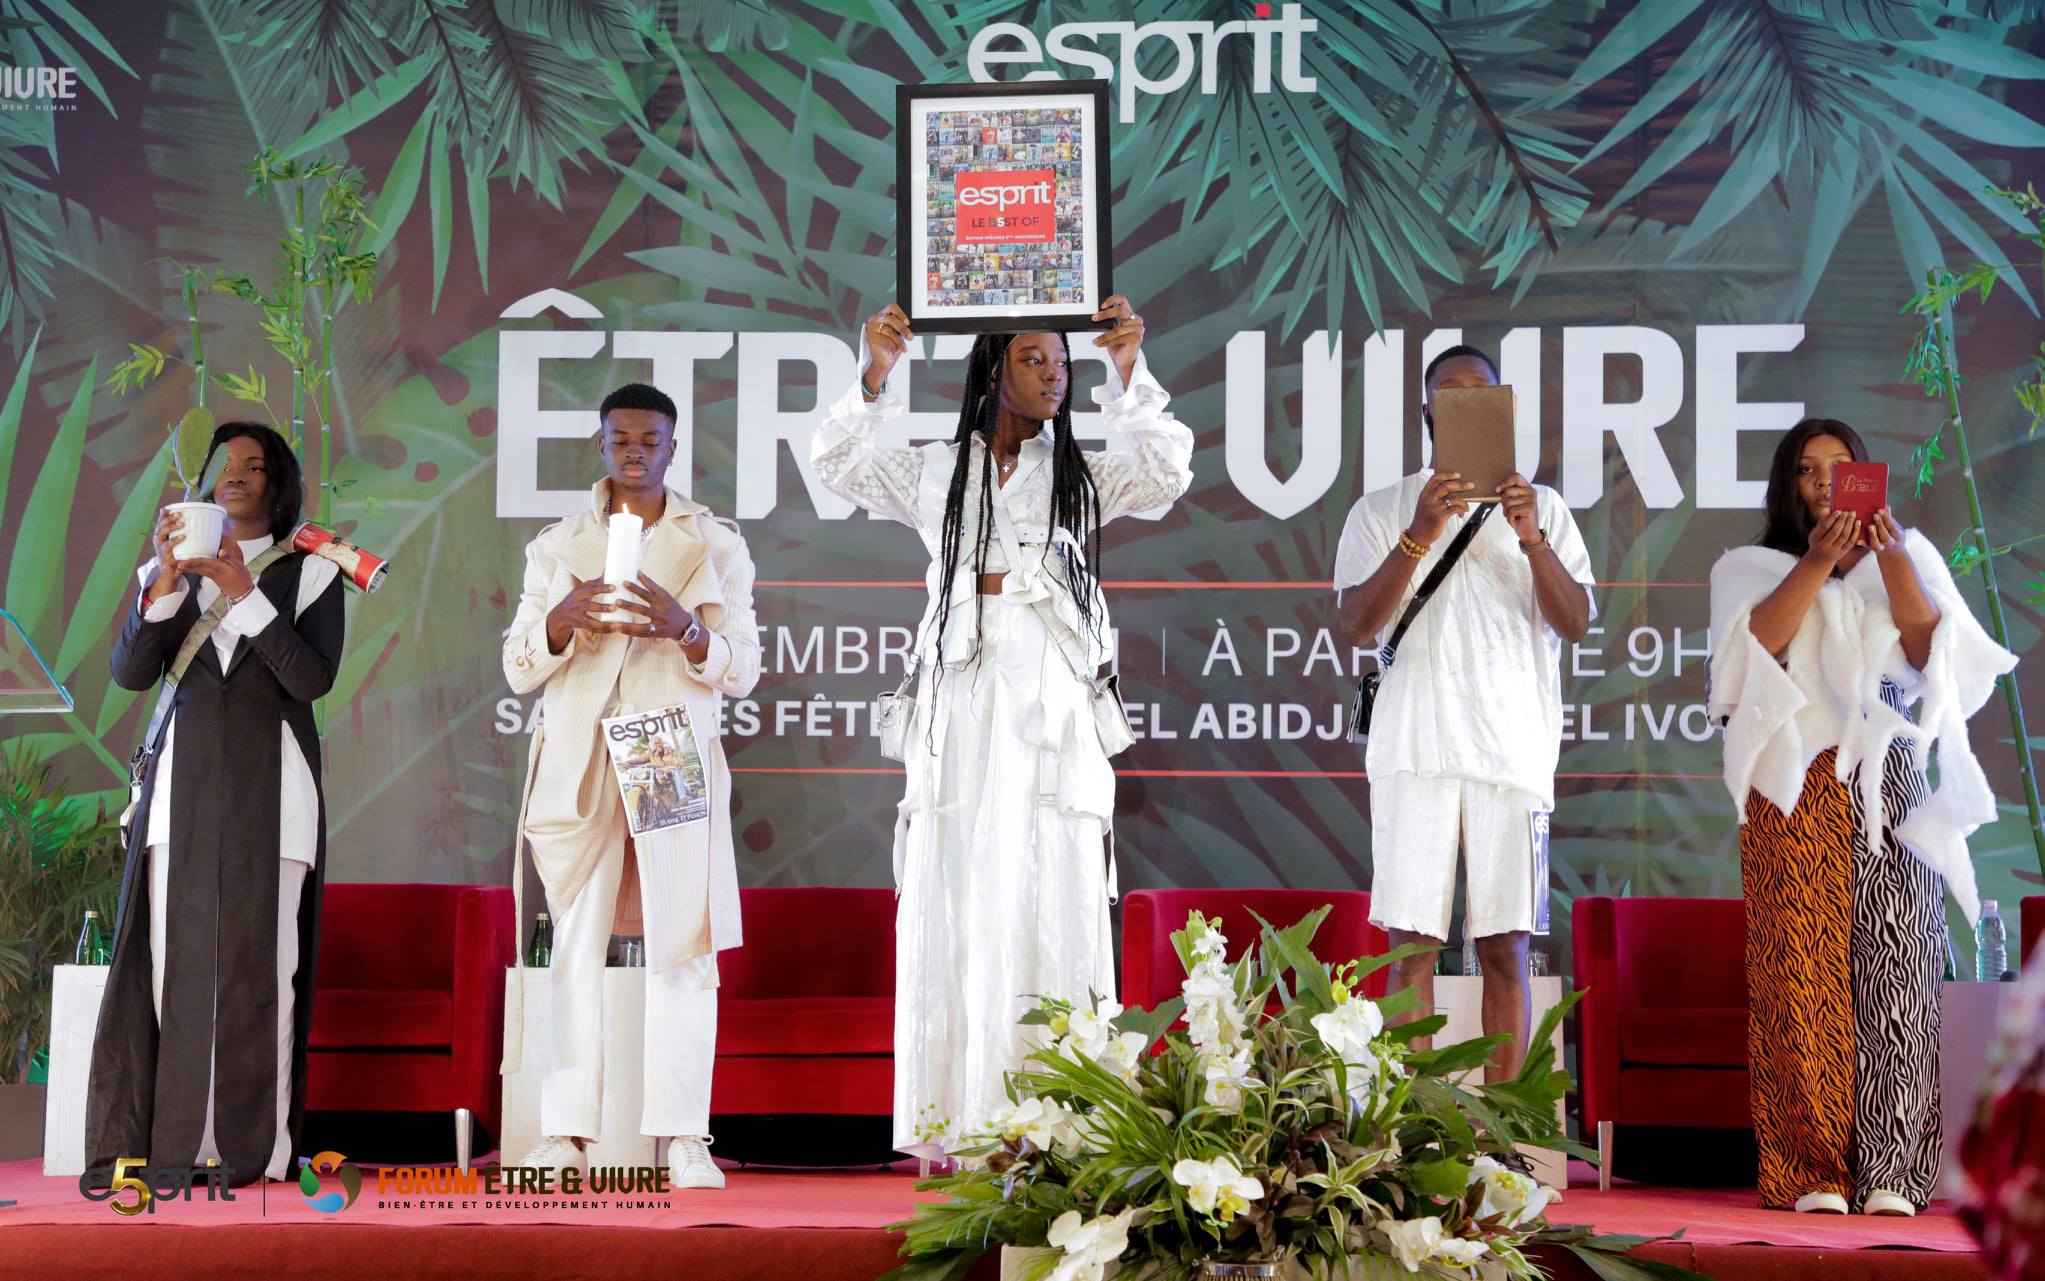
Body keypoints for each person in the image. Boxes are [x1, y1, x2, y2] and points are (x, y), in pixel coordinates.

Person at [812, 297, 1192, 1156]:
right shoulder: (939, 470)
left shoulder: (1079, 473)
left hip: (1050, 693)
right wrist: (875, 371)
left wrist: (1127, 368)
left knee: (1051, 878)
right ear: (992, 371)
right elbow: (837, 460)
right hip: (964, 689)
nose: (1055, 374)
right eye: (1033, 359)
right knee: (961, 879)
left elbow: (1165, 471)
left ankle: (1063, 1124)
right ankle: (957, 1118)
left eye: (1061, 361)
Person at [1708, 417, 2015, 1215]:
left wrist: (1892, 557)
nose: (1822, 481)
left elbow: (1931, 656)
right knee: (1797, 969)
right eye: (1806, 469)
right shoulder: (1745, 568)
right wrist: (1816, 561)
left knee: (1900, 966)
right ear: (1787, 484)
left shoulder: (1907, 559)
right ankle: (1811, 1168)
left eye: (1837, 466)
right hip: (1793, 785)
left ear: (1863, 475)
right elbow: (1752, 655)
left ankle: (1892, 1172)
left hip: (1889, 783)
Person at [501, 382, 760, 1190]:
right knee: (574, 943)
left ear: (672, 447)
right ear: (602, 443)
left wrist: (686, 629)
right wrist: (561, 619)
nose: (635, 451)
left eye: (651, 439)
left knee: (680, 942)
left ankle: (684, 1136)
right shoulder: (559, 544)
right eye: (621, 438)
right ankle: (564, 1134)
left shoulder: (712, 542)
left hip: (662, 747)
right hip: (579, 749)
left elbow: (744, 669)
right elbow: (516, 665)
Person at [87, 422, 344, 1185]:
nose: (236, 475)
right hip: (181, 795)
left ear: (277, 483)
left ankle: (259, 1150)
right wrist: (167, 582)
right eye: (223, 465)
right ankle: (180, 1143)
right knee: (178, 969)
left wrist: (242, 590)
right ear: (201, 482)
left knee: (266, 970)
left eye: (254, 465)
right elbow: (130, 672)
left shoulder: (313, 572)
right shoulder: (164, 571)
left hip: (279, 797)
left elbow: (309, 678)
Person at [1331, 345, 1594, 1082]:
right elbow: (1356, 625)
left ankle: (1505, 1125)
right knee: (1410, 946)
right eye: (1450, 393)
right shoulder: (1382, 508)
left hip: (1512, 755)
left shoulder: (1545, 509)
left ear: (1504, 408)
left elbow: (1574, 623)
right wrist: (1418, 531)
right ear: (1427, 412)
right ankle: (1408, 1123)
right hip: (1414, 752)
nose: (1466, 402)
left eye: (1481, 391)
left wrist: (1531, 536)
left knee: (1505, 946)